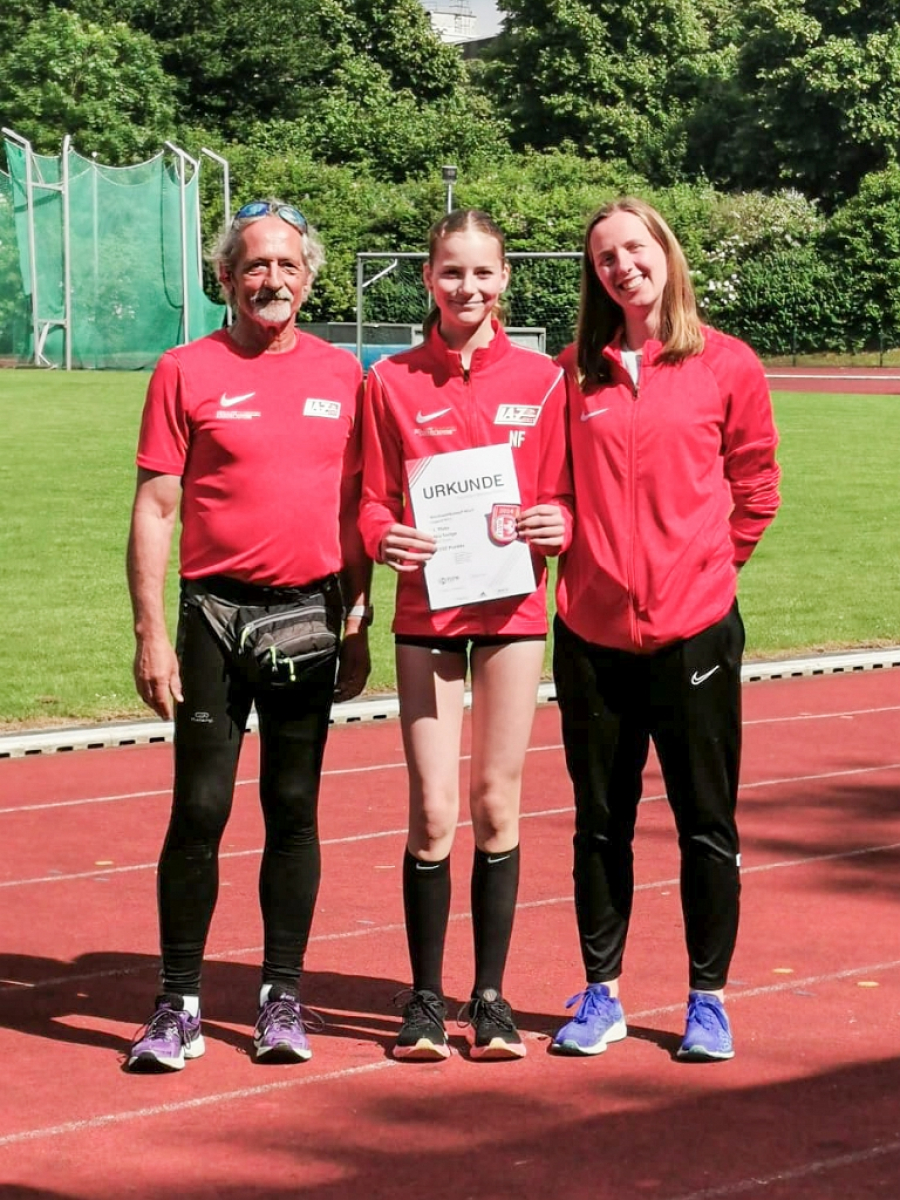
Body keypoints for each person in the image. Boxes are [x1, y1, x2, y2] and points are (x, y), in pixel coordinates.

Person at [125, 199, 372, 1072]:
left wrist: (359, 616)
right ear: (225, 278)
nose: (272, 280)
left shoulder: (347, 375)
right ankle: (176, 1003)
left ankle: (281, 997)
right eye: (255, 266)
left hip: (309, 615)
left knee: (293, 810)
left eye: (287, 267)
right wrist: (151, 632)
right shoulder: (183, 370)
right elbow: (156, 508)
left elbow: (355, 512)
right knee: (199, 810)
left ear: (309, 279)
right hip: (212, 619)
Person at [551, 197, 780, 1062]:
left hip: (697, 633)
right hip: (592, 636)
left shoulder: (727, 364)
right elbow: (556, 494)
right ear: (594, 274)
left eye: (633, 249)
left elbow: (757, 486)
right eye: (604, 256)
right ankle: (601, 995)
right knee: (599, 822)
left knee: (704, 822)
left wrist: (710, 571)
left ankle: (707, 1001)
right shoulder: (573, 374)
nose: (621, 266)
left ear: (665, 255)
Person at [359, 209, 573, 1061]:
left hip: (514, 614)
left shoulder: (547, 380)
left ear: (506, 279)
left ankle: (489, 999)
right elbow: (371, 500)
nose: (468, 288)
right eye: (452, 273)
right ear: (427, 279)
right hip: (428, 615)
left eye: (483, 273)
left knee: (495, 803)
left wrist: (556, 523)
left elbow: (565, 498)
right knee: (433, 810)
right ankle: (421, 1001)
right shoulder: (391, 380)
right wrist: (384, 536)